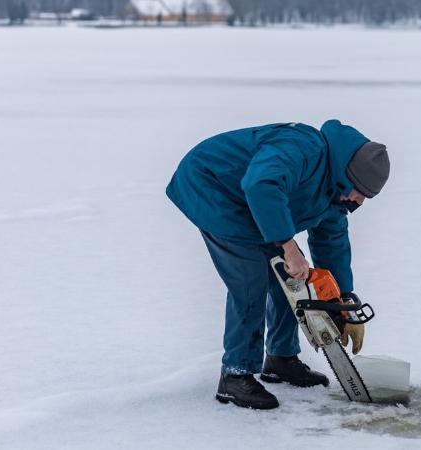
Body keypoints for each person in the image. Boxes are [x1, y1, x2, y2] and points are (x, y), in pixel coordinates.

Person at [166, 120, 390, 410]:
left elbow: (331, 242)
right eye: (359, 190)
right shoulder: (301, 149)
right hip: (212, 188)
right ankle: (235, 375)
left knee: (291, 277)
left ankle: (281, 359)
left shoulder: (334, 190)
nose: (359, 200)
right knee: (250, 282)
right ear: (349, 173)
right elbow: (259, 184)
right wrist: (287, 244)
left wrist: (341, 298)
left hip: (254, 202)